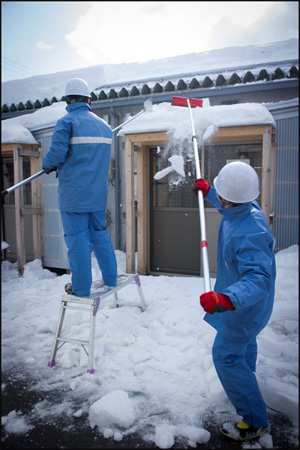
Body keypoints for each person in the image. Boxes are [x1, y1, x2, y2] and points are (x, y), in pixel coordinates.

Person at [194, 161, 276, 441]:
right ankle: (246, 383)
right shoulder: (244, 209)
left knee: (226, 356)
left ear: (229, 196)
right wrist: (209, 194)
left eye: (220, 192)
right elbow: (230, 204)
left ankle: (254, 420)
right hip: (248, 305)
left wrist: (227, 298)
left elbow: (259, 279)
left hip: (244, 305)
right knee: (242, 350)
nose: (220, 197)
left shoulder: (249, 230)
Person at [43, 78, 117, 297]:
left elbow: (56, 154)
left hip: (74, 196)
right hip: (97, 195)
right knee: (100, 235)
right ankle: (111, 277)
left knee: (77, 241)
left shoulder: (66, 123)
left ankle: (81, 288)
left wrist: (47, 165)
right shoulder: (105, 127)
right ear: (88, 100)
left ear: (68, 100)